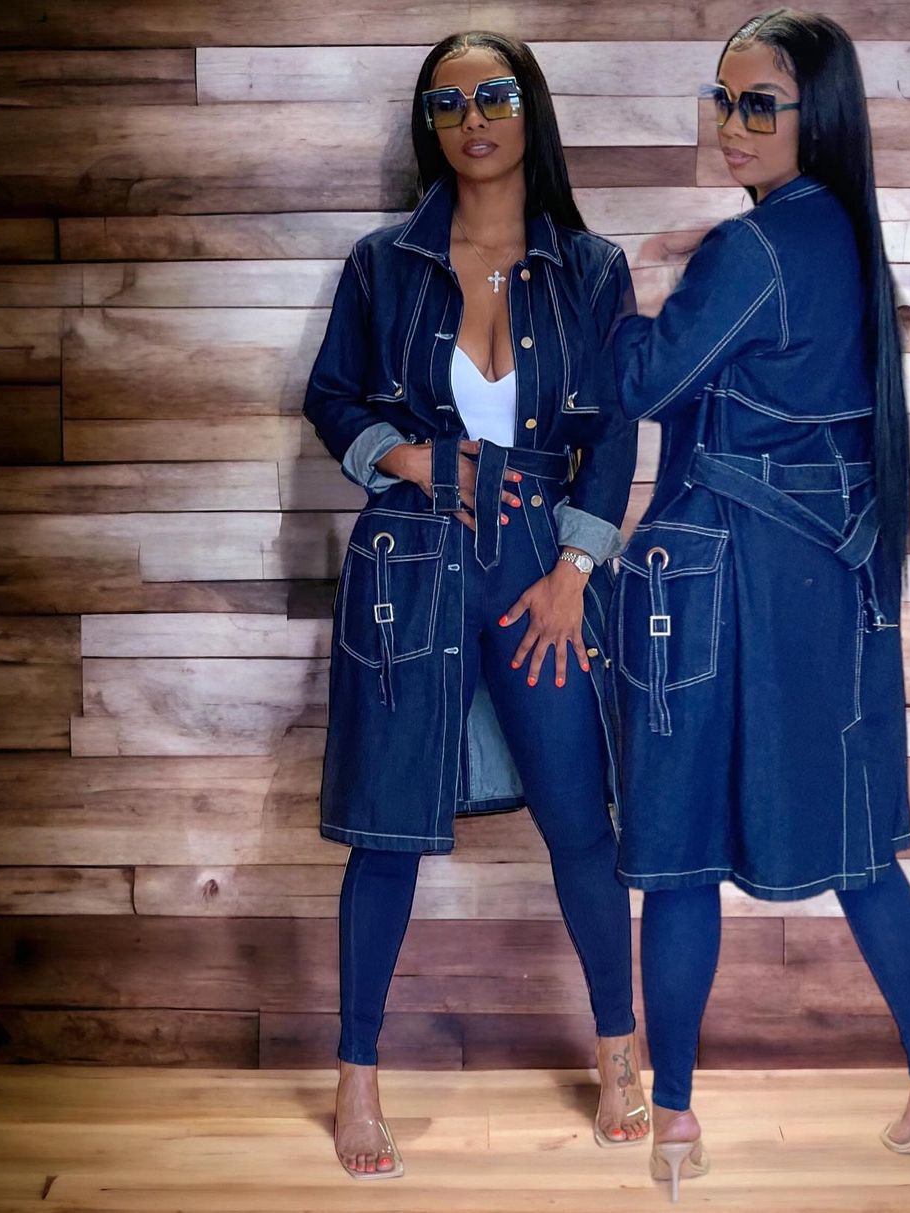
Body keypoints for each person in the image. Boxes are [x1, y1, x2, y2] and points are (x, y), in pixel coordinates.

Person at [609, 9, 910, 1200]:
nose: (732, 123)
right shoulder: (850, 240)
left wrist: (620, 297)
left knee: (679, 852)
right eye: (722, 99)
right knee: (859, 846)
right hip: (837, 587)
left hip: (717, 580)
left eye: (759, 103)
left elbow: (646, 383)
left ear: (819, 113)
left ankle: (674, 1121)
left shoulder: (750, 251)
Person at [303, 30, 647, 1180]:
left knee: (579, 819)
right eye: (447, 103)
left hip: (540, 566)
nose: (473, 118)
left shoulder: (590, 268)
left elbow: (613, 433)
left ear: (528, 110)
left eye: (494, 95)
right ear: (429, 125)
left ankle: (619, 1050)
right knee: (387, 826)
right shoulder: (382, 263)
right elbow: (331, 396)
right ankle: (358, 1078)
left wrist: (575, 570)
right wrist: (407, 458)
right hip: (410, 568)